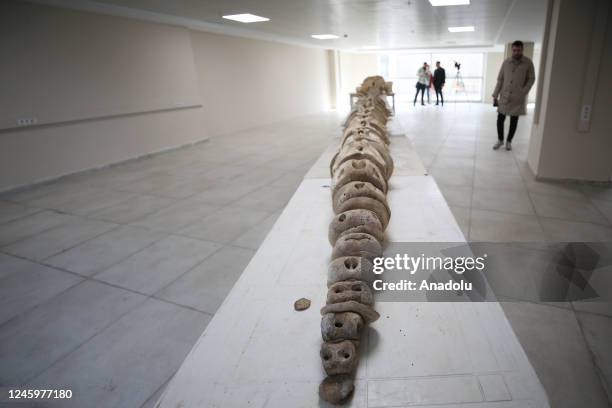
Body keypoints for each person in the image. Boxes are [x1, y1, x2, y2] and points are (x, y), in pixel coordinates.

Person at [492, 40, 536, 151]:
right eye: (514, 50)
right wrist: (495, 94)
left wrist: (524, 91)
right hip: (505, 96)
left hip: (517, 97)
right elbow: (500, 79)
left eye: (519, 50)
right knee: (500, 119)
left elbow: (531, 79)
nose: (516, 52)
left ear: (522, 50)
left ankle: (509, 141)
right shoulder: (506, 62)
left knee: (514, 120)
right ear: (512, 49)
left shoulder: (528, 63)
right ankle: (500, 140)